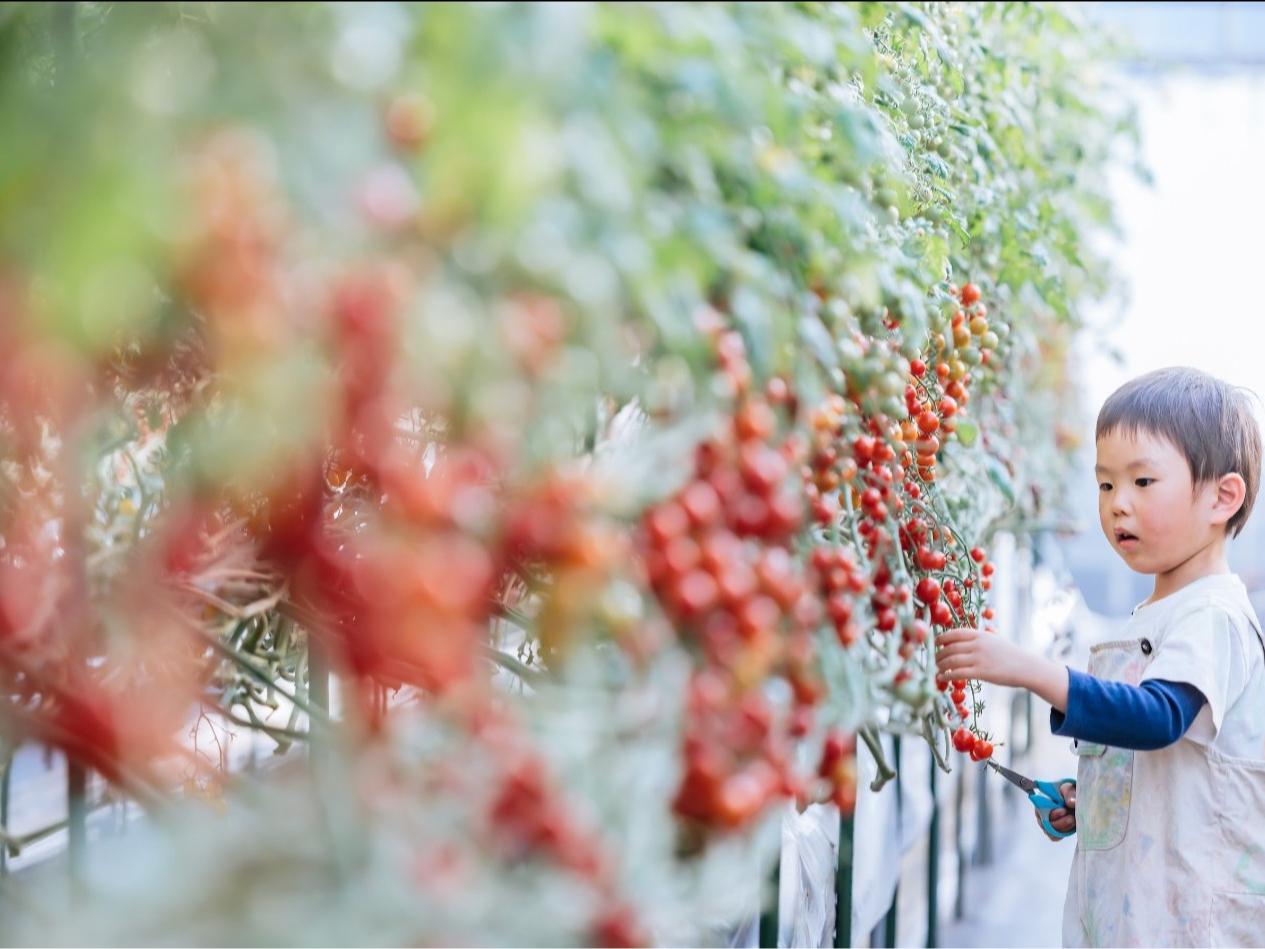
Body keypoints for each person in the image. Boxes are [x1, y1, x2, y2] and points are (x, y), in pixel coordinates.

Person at [935, 366, 1265, 948]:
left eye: (1142, 482)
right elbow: (1159, 762)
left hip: (1187, 925)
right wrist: (1094, 799)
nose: (1117, 505)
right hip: (1134, 913)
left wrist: (1032, 671)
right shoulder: (1162, 613)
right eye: (1106, 485)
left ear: (1223, 497)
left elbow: (1157, 718)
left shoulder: (1213, 615)